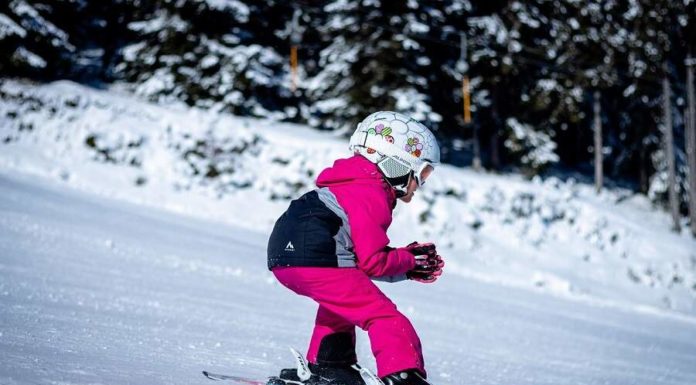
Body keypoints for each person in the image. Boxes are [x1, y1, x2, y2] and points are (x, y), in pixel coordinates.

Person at [267, 111, 444, 385]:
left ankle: (331, 365)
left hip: (284, 258)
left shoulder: (348, 185)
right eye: (422, 174)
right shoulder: (371, 193)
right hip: (317, 257)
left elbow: (360, 260)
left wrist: (404, 261)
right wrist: (409, 261)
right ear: (396, 164)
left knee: (341, 304)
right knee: (383, 316)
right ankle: (403, 375)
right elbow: (372, 262)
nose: (420, 185)